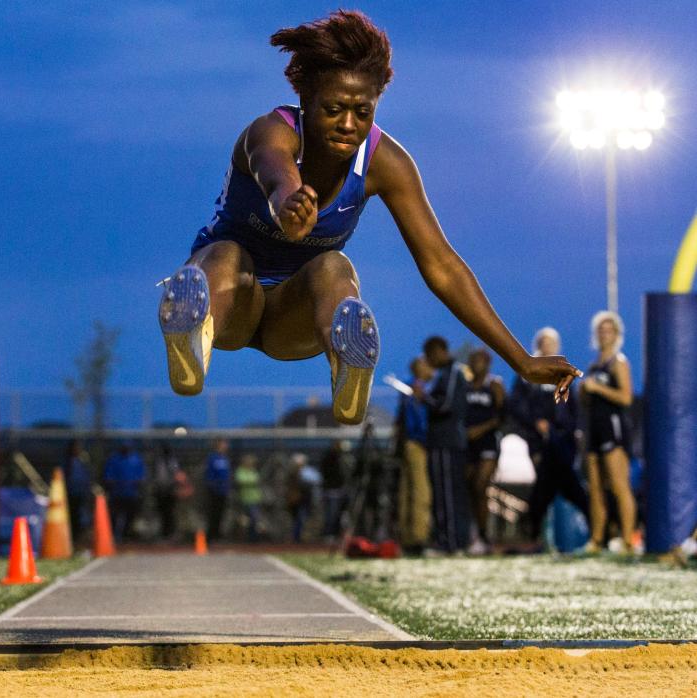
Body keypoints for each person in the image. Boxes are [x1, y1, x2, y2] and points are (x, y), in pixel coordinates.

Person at [157, 10, 579, 427]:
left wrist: (522, 360)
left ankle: (349, 363)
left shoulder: (385, 162)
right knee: (228, 254)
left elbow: (443, 267)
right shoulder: (271, 131)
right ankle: (193, 331)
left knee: (335, 267)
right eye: (334, 109)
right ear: (306, 103)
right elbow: (274, 171)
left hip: (294, 317)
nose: (348, 125)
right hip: (234, 304)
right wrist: (289, 202)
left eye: (363, 112)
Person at [508, 327, 587, 544]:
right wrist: (535, 423)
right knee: (556, 484)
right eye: (545, 342)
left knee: (553, 485)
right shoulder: (528, 374)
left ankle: (533, 529)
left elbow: (574, 409)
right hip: (539, 442)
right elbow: (515, 404)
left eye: (552, 343)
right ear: (538, 345)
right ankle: (535, 530)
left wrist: (573, 431)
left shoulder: (564, 373)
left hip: (562, 441)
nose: (548, 346)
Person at [581, 311, 636, 554]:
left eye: (608, 330)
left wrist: (598, 388)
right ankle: (596, 539)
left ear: (616, 334)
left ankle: (627, 540)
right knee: (594, 487)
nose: (604, 334)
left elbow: (626, 397)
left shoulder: (619, 362)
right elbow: (587, 401)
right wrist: (583, 391)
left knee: (618, 485)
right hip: (594, 428)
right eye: (600, 330)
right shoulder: (594, 365)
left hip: (613, 428)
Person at [414, 336, 470, 554]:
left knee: (447, 493)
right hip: (443, 439)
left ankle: (451, 542)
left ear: (439, 351)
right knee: (444, 492)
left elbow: (445, 405)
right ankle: (450, 540)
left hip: (447, 440)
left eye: (429, 355)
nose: (428, 360)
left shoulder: (452, 373)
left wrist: (423, 397)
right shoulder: (446, 374)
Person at [464, 348, 504, 553]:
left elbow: (502, 416)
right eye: (473, 360)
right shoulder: (466, 386)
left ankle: (484, 534)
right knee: (470, 488)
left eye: (479, 360)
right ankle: (472, 533)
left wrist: (480, 430)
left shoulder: (494, 385)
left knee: (481, 485)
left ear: (487, 363)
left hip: (488, 443)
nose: (475, 364)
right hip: (468, 444)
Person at [395, 356, 433, 554]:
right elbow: (419, 419)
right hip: (418, 442)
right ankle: (418, 537)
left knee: (407, 490)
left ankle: (406, 535)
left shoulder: (408, 388)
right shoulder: (417, 388)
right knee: (421, 491)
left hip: (408, 443)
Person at [102, 442, 146, 541]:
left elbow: (141, 477)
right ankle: (113, 535)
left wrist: (136, 484)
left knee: (130, 516)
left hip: (131, 493)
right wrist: (115, 484)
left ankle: (126, 535)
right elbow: (108, 477)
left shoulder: (136, 459)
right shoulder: (114, 459)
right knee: (115, 515)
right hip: (117, 493)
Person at [64, 440, 92, 544]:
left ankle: (78, 539)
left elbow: (86, 477)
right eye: (76, 448)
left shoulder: (82, 461)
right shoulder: (68, 462)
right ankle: (72, 539)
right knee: (72, 517)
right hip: (71, 494)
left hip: (80, 493)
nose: (78, 450)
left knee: (80, 517)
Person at [319, 440, 348, 540]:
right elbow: (328, 473)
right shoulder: (331, 458)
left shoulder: (340, 458)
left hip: (338, 489)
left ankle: (335, 533)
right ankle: (329, 533)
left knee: (338, 514)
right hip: (332, 490)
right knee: (331, 514)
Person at [204, 439, 232, 540]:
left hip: (223, 490)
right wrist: (212, 486)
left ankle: (218, 535)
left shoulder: (225, 458)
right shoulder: (213, 458)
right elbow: (209, 474)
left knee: (221, 513)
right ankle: (211, 535)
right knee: (213, 513)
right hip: (214, 490)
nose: (225, 446)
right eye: (223, 444)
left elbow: (227, 474)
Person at [152, 443, 180, 540]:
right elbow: (157, 477)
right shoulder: (159, 462)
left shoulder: (173, 462)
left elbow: (176, 475)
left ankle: (170, 532)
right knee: (162, 513)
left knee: (170, 513)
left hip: (170, 490)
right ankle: (163, 533)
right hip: (161, 490)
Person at [234, 454, 263, 542]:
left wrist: (251, 482)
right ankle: (241, 538)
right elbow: (241, 480)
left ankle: (253, 537)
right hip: (244, 498)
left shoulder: (253, 471)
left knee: (255, 519)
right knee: (244, 520)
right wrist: (252, 481)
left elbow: (257, 480)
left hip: (254, 499)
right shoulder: (240, 471)